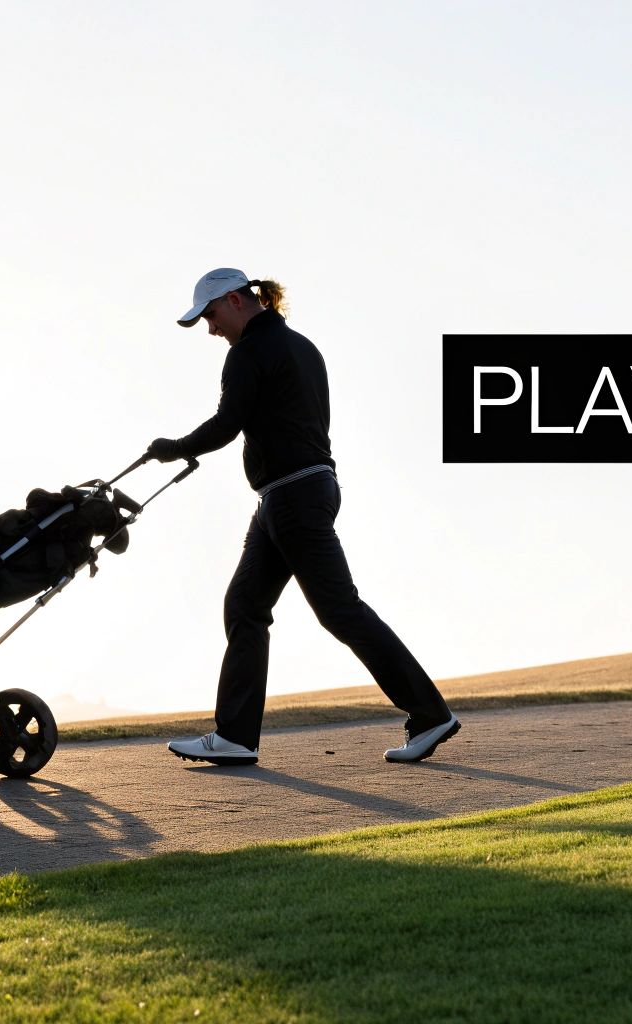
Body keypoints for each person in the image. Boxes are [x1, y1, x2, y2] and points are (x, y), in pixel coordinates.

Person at [148, 268, 459, 766]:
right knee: (245, 604)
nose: (210, 329)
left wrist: (174, 448)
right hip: (295, 494)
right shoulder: (303, 346)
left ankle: (429, 714)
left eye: (209, 316)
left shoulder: (247, 352)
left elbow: (228, 426)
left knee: (339, 610)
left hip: (293, 497)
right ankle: (236, 736)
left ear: (234, 300)